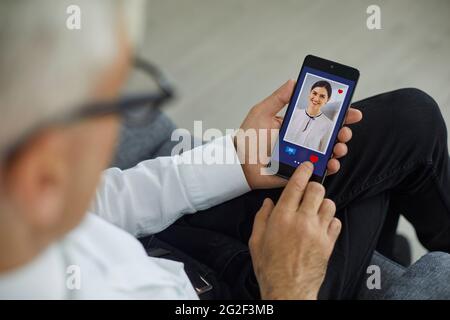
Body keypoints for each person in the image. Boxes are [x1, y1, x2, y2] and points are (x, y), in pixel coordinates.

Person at [0, 0, 449, 300]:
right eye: (121, 100)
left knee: (412, 117)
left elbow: (106, 201)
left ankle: (386, 249)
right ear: (42, 171)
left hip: (168, 242)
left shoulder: (31, 200)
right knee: (361, 186)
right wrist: (287, 287)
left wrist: (235, 160)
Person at [284, 80, 334, 152]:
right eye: (314, 93)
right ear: (310, 93)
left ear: (327, 99)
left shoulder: (329, 125)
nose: (316, 99)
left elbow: (323, 153)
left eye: (322, 96)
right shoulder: (294, 113)